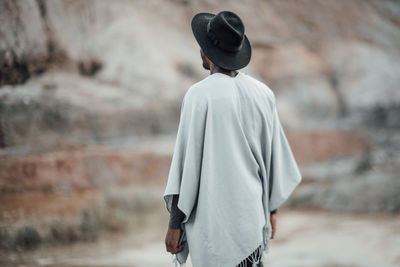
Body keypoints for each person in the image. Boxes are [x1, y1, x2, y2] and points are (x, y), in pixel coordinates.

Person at [163, 10, 302, 267]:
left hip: (214, 232)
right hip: (251, 228)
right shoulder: (263, 94)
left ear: (206, 52)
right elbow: (274, 160)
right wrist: (271, 210)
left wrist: (174, 226)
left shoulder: (199, 96)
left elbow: (187, 169)